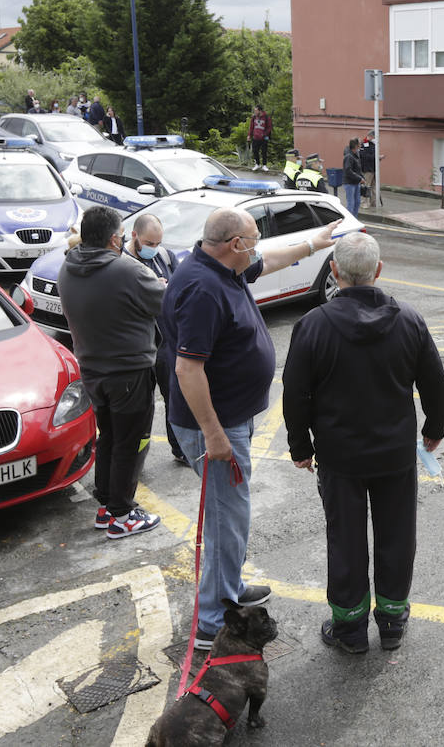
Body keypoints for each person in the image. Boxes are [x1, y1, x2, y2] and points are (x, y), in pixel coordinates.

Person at [164, 207, 340, 650]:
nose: (258, 246)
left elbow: (271, 260)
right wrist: (214, 434)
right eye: (253, 239)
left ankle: (228, 588)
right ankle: (211, 621)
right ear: (234, 244)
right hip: (218, 425)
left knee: (233, 516)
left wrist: (313, 245)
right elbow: (188, 369)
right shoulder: (203, 288)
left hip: (230, 417)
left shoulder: (224, 267)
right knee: (227, 520)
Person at [283, 232, 444, 653]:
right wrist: (434, 427)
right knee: (397, 536)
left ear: (335, 272)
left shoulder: (314, 325)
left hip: (340, 458)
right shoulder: (409, 319)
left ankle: (350, 629)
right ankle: (392, 623)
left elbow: (295, 392)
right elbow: (435, 383)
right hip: (395, 455)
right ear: (378, 271)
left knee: (346, 541)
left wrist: (301, 446)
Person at [59, 206, 164, 539]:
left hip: (93, 372)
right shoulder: (126, 271)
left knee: (109, 438)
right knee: (130, 444)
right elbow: (165, 302)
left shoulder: (68, 267)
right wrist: (159, 284)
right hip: (129, 373)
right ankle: (121, 514)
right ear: (114, 238)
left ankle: (106, 505)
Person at [127, 212, 187, 466]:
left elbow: (181, 291)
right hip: (137, 348)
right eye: (149, 243)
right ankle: (134, 457)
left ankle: (181, 449)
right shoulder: (122, 264)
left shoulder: (165, 257)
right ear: (134, 236)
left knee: (174, 397)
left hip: (166, 345)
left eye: (157, 243)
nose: (154, 248)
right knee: (140, 408)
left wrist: (167, 290)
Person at [359, 134, 383, 208]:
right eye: (374, 137)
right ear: (370, 136)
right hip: (367, 169)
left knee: (374, 187)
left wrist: (378, 157)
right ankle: (364, 203)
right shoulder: (364, 144)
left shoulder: (373, 144)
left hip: (374, 169)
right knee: (366, 187)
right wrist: (376, 157)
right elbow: (364, 156)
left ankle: (374, 203)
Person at [342, 138, 363, 215]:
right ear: (356, 145)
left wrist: (361, 177)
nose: (361, 145)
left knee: (357, 202)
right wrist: (359, 178)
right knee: (351, 204)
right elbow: (348, 171)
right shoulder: (349, 156)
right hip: (349, 183)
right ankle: (350, 222)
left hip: (356, 182)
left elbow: (358, 169)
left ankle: (355, 220)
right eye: (359, 144)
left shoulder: (356, 154)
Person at [248, 104, 272, 171]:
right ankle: (257, 164)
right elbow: (251, 127)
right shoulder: (254, 117)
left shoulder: (266, 117)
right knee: (255, 151)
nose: (255, 112)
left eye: (256, 110)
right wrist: (249, 135)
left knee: (264, 151)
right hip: (255, 137)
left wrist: (264, 134)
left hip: (264, 138)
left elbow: (269, 128)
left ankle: (264, 165)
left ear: (260, 110)